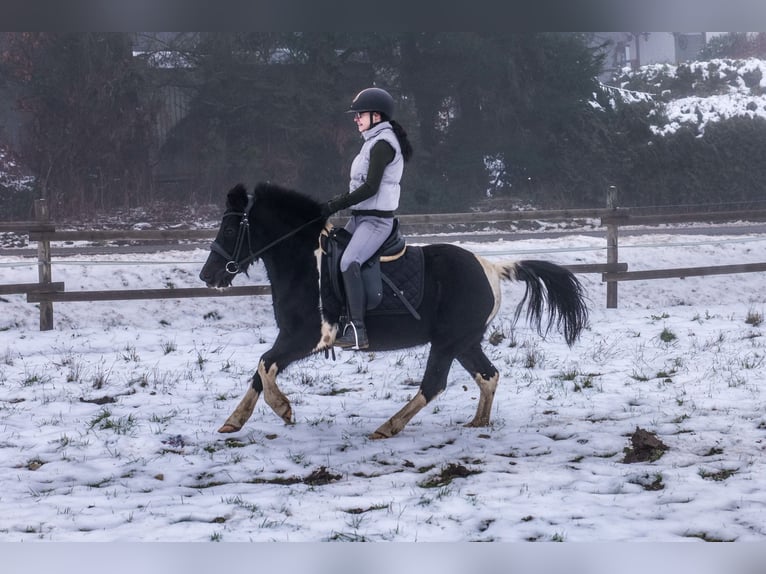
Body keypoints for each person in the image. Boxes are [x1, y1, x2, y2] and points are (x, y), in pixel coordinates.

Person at [321, 87, 414, 350]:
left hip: (376, 222)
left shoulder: (383, 144)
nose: (355, 118)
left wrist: (334, 205)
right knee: (331, 252)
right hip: (361, 218)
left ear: (376, 115)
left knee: (350, 261)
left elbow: (371, 187)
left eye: (359, 114)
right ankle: (335, 317)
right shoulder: (372, 142)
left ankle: (358, 330)